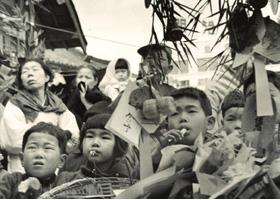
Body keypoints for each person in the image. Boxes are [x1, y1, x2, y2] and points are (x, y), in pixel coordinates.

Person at [0, 58, 79, 173]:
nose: (30, 74)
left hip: (53, 167)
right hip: (22, 167)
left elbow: (73, 135)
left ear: (47, 77)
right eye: (25, 72)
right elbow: (12, 139)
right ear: (21, 81)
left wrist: (38, 134)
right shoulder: (15, 104)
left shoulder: (58, 105)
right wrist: (58, 135)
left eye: (35, 70)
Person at [56, 114, 139, 185]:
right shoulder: (67, 180)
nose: (95, 142)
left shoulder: (129, 180)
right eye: (89, 136)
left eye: (105, 137)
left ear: (119, 144)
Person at [151, 87, 215, 171]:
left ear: (209, 122)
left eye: (191, 111)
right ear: (167, 127)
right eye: (175, 114)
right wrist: (157, 154)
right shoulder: (159, 153)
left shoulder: (219, 151)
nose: (183, 118)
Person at [0, 122, 68, 199]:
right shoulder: (11, 181)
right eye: (32, 147)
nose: (38, 154)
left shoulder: (65, 183)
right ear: (22, 159)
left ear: (61, 161)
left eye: (47, 148)